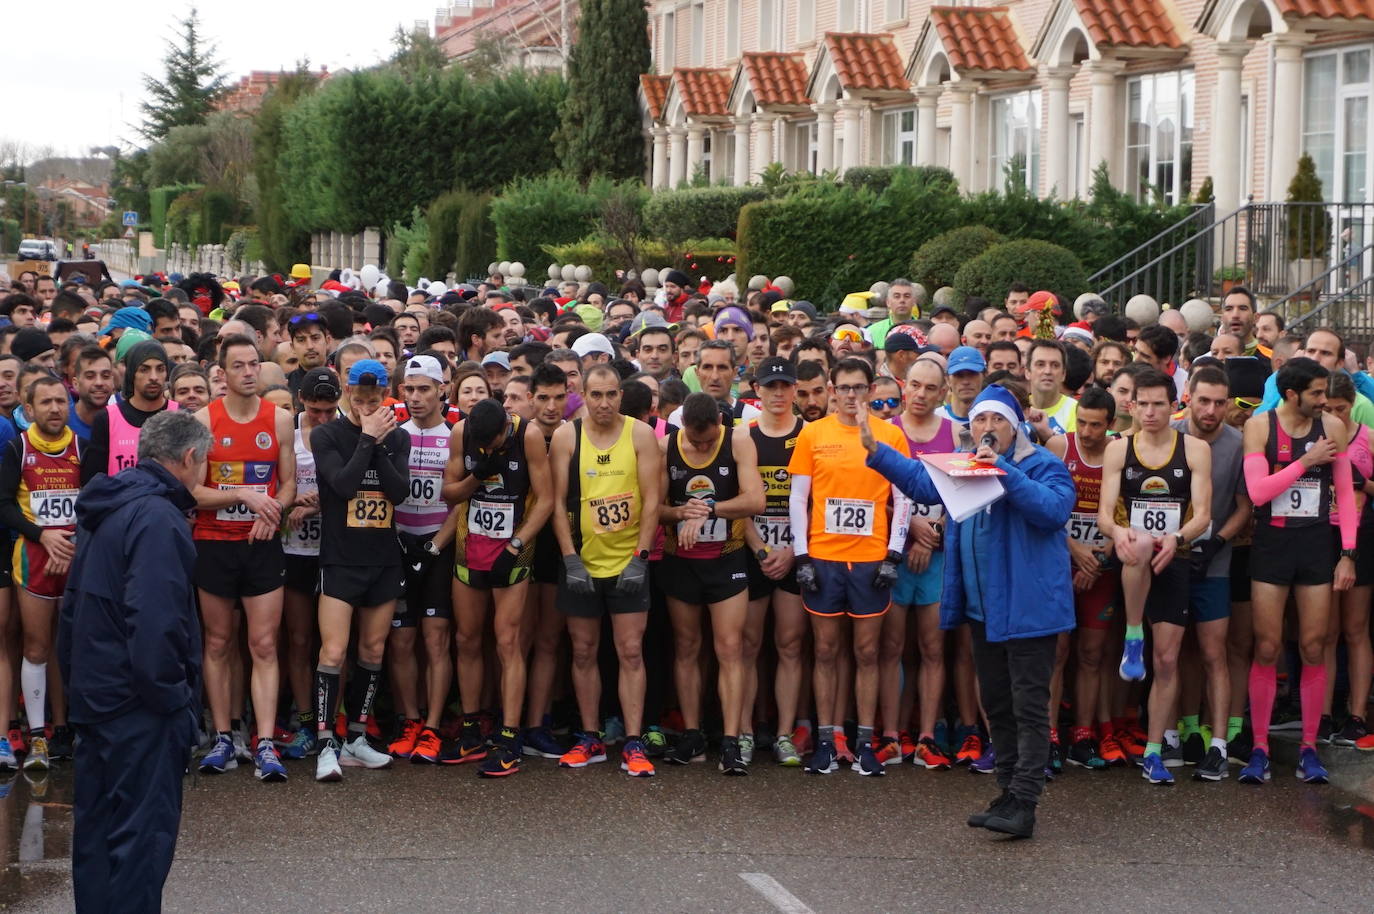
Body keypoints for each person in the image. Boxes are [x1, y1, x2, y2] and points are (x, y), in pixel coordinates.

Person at [863, 384, 1076, 839]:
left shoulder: (1043, 465)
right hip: (985, 609)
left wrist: (1002, 471)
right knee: (997, 704)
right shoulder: (964, 464)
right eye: (980, 420)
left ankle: (1025, 800)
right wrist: (876, 450)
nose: (987, 428)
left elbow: (1055, 510)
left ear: (1015, 426)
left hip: (1030, 609)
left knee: (1029, 707)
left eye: (997, 420)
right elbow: (923, 482)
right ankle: (1007, 792)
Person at [59, 411, 211, 914]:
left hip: (95, 695)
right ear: (189, 458)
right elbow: (157, 620)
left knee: (98, 839)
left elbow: (72, 608)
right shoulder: (159, 518)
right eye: (205, 461)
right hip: (138, 706)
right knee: (140, 844)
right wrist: (173, 699)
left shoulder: (108, 508)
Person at [788, 357, 911, 777]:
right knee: (824, 650)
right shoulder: (813, 433)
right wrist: (802, 555)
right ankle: (825, 741)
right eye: (844, 388)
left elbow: (905, 497)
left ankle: (864, 743)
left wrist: (894, 554)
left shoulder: (890, 435)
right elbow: (798, 499)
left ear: (871, 391)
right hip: (823, 555)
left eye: (860, 388)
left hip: (871, 557)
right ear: (832, 390)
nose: (852, 396)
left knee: (867, 652)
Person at [1239, 357, 1357, 785]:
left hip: (1314, 544)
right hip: (1272, 543)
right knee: (1267, 647)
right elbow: (1257, 491)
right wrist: (1306, 462)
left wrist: (1348, 553)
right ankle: (1258, 748)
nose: (1324, 401)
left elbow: (1344, 494)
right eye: (1317, 394)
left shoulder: (1333, 428)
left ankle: (1309, 747)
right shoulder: (1260, 426)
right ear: (1292, 394)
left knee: (1313, 645)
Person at [1097, 368, 1212, 786]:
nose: (1150, 412)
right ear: (1131, 406)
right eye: (1142, 404)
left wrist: (1176, 537)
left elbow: (1203, 515)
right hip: (1133, 555)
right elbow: (1104, 516)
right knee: (1140, 543)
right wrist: (1120, 533)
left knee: (1166, 660)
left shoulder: (1194, 449)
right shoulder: (1119, 450)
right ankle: (1132, 634)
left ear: (1173, 403)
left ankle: (1153, 752)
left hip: (1173, 557)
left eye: (1158, 404)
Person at [548, 364, 661, 777]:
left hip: (627, 559)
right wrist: (569, 558)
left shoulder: (641, 435)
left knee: (631, 651)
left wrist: (641, 556)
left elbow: (652, 500)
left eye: (611, 394)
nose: (604, 403)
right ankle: (590, 736)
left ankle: (632, 741)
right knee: (583, 650)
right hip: (582, 560)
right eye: (596, 395)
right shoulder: (566, 436)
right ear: (584, 395)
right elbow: (556, 502)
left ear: (621, 395)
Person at [191, 334, 295, 781]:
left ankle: (266, 742)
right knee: (217, 643)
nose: (250, 372)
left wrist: (274, 511)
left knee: (264, 644)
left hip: (261, 544)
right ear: (223, 372)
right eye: (240, 366)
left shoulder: (281, 420)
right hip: (214, 543)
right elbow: (193, 491)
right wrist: (242, 495)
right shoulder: (202, 421)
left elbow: (288, 484)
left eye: (255, 364)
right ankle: (222, 737)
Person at [310, 359, 411, 781]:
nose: (368, 407)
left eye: (375, 401)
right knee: (334, 651)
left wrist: (379, 442)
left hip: (383, 558)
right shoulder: (327, 434)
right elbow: (345, 484)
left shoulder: (399, 437)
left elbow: (399, 491)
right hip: (340, 558)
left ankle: (356, 736)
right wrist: (367, 438)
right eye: (360, 399)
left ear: (386, 396)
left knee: (372, 651)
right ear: (347, 394)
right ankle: (323, 743)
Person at [444, 396, 552, 776]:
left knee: (507, 642)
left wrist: (516, 545)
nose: (488, 449)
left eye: (494, 444)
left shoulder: (530, 435)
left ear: (506, 426)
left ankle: (509, 736)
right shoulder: (461, 433)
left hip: (512, 549)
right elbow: (449, 493)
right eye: (483, 445)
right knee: (467, 639)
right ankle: (472, 728)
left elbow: (547, 500)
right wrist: (478, 474)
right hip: (469, 546)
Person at [660, 392, 764, 773]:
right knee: (687, 647)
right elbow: (651, 507)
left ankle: (733, 740)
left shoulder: (737, 439)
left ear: (719, 427)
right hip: (681, 561)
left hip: (726, 559)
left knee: (729, 648)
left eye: (708, 441)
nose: (701, 447)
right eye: (695, 440)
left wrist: (709, 509)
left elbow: (756, 500)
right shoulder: (666, 446)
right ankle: (692, 734)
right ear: (682, 426)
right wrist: (679, 512)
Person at [0, 377, 83, 769]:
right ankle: (37, 737)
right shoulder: (18, 447)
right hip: (34, 558)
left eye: (61, 401)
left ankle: (70, 728)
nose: (55, 408)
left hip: (76, 557)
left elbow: (97, 501)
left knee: (75, 647)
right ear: (28, 409)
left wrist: (71, 541)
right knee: (36, 646)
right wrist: (43, 536)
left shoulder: (82, 446)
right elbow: (3, 506)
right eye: (46, 402)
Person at [386, 356, 459, 766]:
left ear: (441, 390)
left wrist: (435, 546)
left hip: (438, 546)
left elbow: (461, 503)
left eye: (424, 389)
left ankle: (432, 725)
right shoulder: (395, 436)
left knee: (435, 640)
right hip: (400, 545)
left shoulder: (455, 436)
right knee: (402, 640)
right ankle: (409, 720)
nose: (415, 397)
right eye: (408, 389)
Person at [887, 358, 958, 769]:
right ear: (903, 386)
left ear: (943, 393)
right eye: (915, 385)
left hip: (938, 554)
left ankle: (928, 736)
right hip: (895, 552)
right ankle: (892, 735)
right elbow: (878, 489)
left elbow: (965, 492)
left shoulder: (955, 434)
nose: (921, 394)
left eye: (931, 388)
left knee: (932, 648)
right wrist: (913, 526)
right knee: (892, 647)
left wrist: (933, 534)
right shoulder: (888, 432)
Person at [1046, 387, 1119, 770]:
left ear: (1111, 424)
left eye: (1096, 425)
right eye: (1083, 423)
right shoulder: (1060, 446)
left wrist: (1100, 558)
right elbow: (1043, 508)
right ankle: (1051, 735)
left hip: (1100, 567)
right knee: (1057, 653)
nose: (1087, 432)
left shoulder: (1118, 452)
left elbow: (1123, 514)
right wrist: (1075, 551)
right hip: (1061, 563)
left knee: (1091, 655)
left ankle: (1084, 735)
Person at [741, 357, 807, 766]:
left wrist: (791, 549)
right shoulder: (742, 437)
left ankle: (784, 733)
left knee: (790, 644)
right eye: (771, 386)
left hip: (795, 552)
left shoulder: (810, 436)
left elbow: (815, 500)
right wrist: (762, 549)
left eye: (785, 385)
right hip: (754, 552)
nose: (778, 393)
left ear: (794, 389)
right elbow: (740, 501)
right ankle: (745, 732)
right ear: (757, 390)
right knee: (747, 646)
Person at [82, 340, 178, 482]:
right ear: (132, 373)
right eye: (144, 369)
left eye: (160, 369)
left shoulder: (180, 416)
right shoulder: (107, 419)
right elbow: (93, 482)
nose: (153, 377)